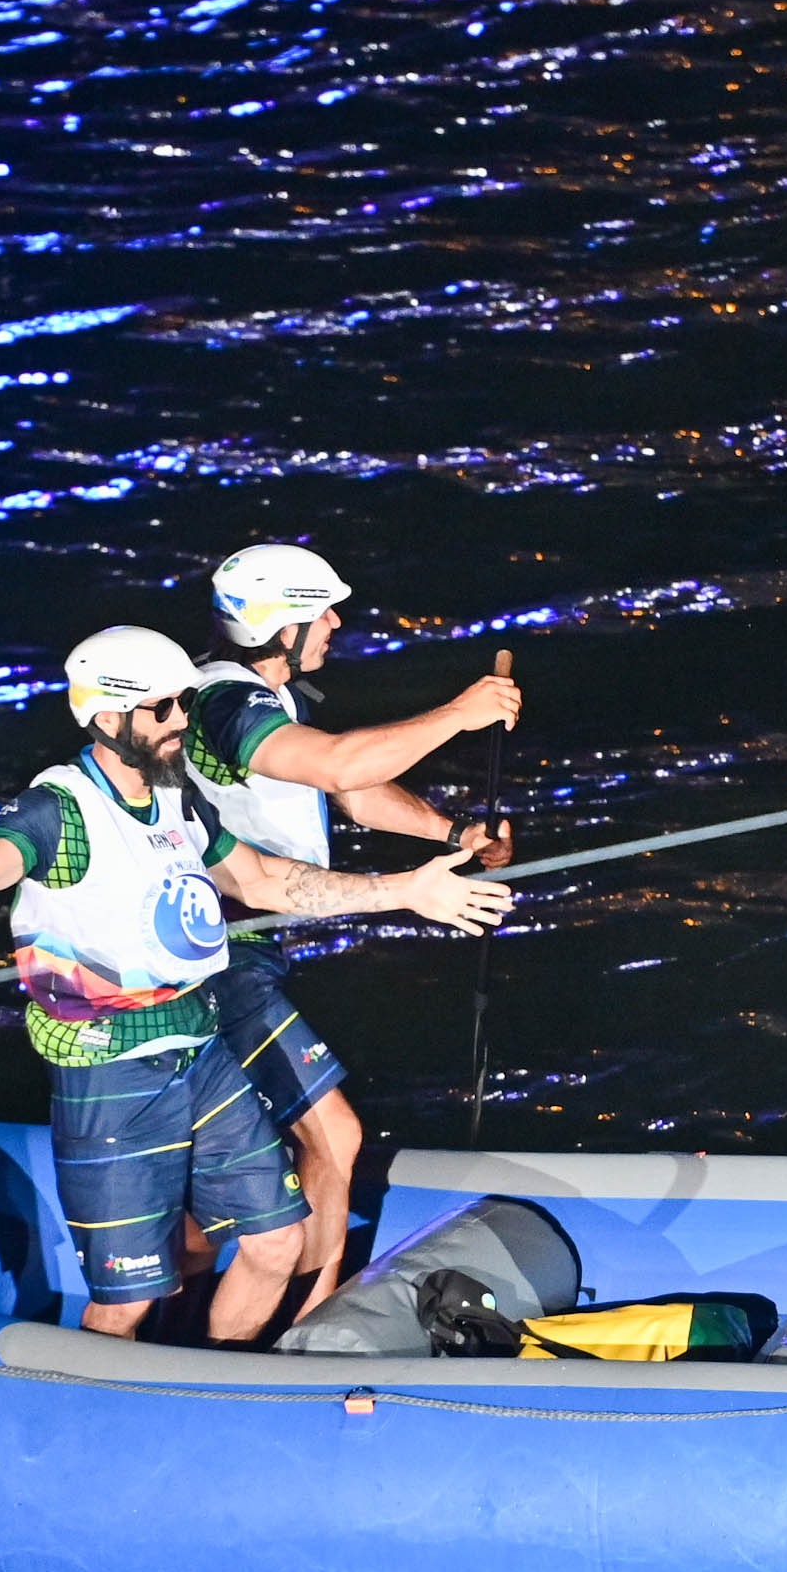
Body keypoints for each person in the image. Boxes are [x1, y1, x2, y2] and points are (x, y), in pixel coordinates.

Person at [0, 625, 515, 1344]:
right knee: (127, 1303)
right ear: (108, 718)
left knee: (277, 1243)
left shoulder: (177, 800)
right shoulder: (61, 810)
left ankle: (221, 1375)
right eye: (163, 709)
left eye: (185, 703)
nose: (181, 722)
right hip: (111, 1070)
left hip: (200, 1043)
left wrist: (403, 890)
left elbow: (264, 880)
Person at [182, 542, 524, 1302]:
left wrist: (453, 834)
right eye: (322, 613)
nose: (337, 624)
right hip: (219, 953)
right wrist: (459, 715)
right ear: (279, 627)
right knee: (333, 1134)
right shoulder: (223, 705)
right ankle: (310, 1322)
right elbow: (339, 765)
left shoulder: (270, 699)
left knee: (255, 1153)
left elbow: (356, 793)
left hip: (254, 945)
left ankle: (245, 1304)